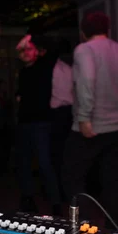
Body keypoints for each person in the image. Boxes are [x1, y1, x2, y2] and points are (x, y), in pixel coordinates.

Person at [61, 12, 118, 228]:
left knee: (71, 175)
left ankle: (82, 226)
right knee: (113, 179)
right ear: (108, 30)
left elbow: (87, 80)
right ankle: (114, 227)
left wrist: (84, 118)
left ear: (83, 32)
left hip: (90, 128)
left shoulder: (84, 49)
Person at [15, 34, 61, 213]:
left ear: (38, 52)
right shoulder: (23, 71)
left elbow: (54, 47)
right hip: (24, 124)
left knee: (44, 164)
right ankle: (27, 199)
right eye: (22, 51)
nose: (25, 53)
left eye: (29, 49)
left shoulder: (45, 65)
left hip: (41, 123)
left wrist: (29, 37)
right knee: (24, 164)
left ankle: (56, 204)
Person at [50, 38, 74, 202]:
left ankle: (60, 193)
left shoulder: (54, 68)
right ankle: (64, 193)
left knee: (58, 155)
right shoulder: (70, 68)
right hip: (69, 113)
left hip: (59, 114)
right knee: (66, 154)